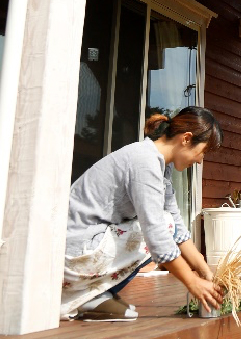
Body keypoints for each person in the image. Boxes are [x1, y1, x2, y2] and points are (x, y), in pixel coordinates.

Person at [61, 106, 224, 321]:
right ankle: (89, 295)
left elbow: (176, 222)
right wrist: (192, 283)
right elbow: (157, 231)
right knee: (161, 226)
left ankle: (97, 295)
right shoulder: (145, 162)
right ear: (186, 139)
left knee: (167, 223)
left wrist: (204, 271)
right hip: (74, 249)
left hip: (86, 243)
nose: (201, 160)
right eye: (203, 151)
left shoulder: (160, 165)